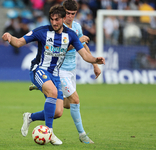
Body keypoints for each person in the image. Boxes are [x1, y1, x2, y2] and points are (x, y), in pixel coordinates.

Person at [2, 5, 105, 145]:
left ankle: (30, 117)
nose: (54, 22)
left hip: (55, 74)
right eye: (52, 19)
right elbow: (19, 42)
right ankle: (49, 132)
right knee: (53, 92)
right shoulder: (42, 31)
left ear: (63, 19)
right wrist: (10, 37)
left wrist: (95, 61)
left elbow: (85, 55)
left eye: (57, 19)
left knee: (58, 112)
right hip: (39, 70)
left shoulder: (71, 35)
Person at [29, 0, 102, 144]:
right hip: (58, 70)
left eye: (73, 14)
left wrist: (94, 64)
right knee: (75, 99)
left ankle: (32, 112)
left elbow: (83, 45)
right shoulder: (55, 28)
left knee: (64, 107)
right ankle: (82, 135)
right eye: (67, 13)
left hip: (71, 70)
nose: (70, 17)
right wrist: (78, 41)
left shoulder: (76, 27)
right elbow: (60, 48)